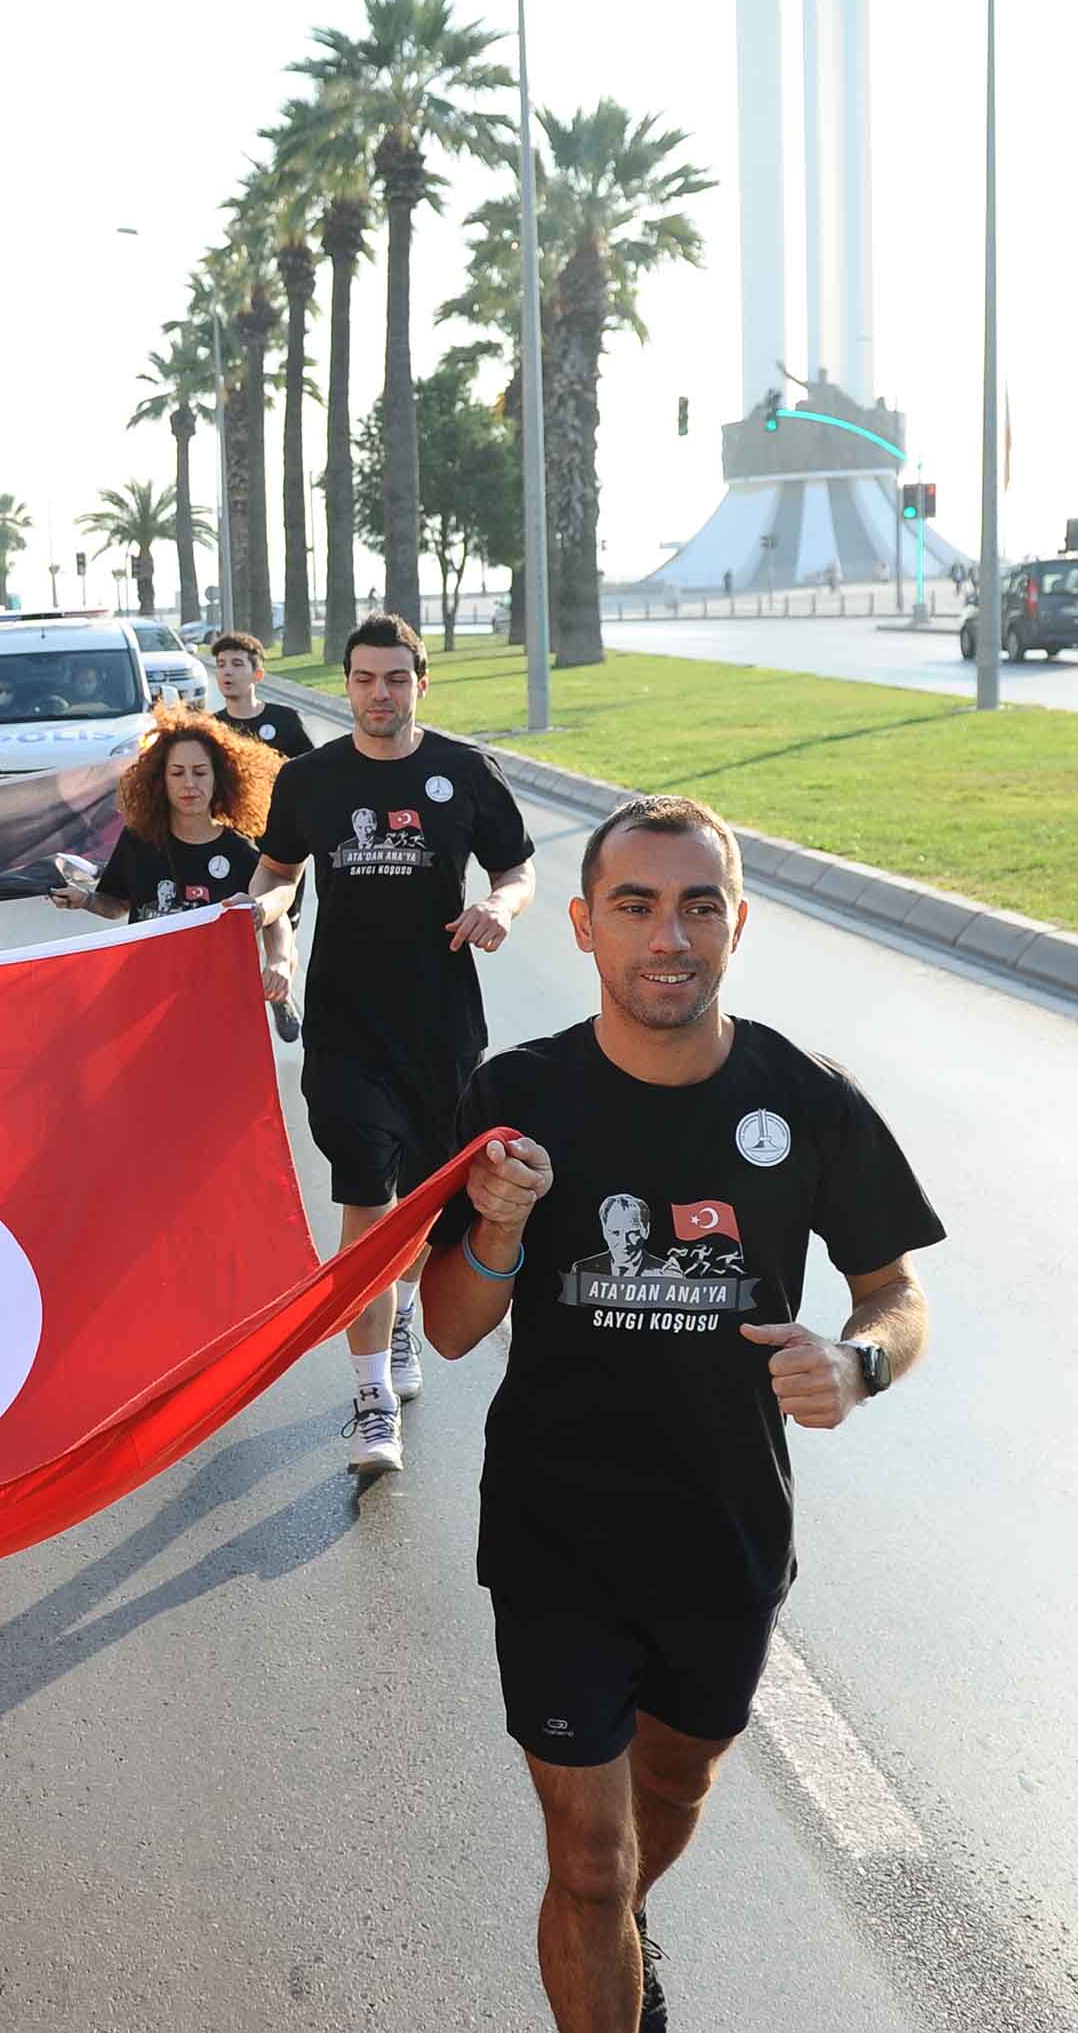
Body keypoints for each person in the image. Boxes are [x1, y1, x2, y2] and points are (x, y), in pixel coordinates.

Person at [418, 794, 940, 2033]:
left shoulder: (804, 1099)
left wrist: (859, 1364)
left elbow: (895, 1293)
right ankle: (605, 1952)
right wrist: (497, 1225)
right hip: (557, 1534)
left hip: (725, 1531)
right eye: (638, 907)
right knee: (586, 1858)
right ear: (588, 928)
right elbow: (444, 1325)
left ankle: (616, 1928)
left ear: (737, 924)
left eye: (698, 906)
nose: (670, 937)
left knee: (673, 1786)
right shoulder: (517, 1092)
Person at [249, 613, 535, 1476]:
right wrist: (267, 930)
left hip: (441, 1027)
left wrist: (502, 908)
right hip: (345, 1032)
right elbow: (277, 872)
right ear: (347, 685)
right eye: (367, 680)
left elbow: (517, 869)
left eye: (397, 680)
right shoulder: (309, 780)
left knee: (421, 1203)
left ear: (421, 684)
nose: (381, 694)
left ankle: (400, 1314)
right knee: (368, 1209)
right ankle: (372, 1398)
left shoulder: (463, 771)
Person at [53, 706, 286, 933]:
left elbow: (273, 913)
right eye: (177, 773)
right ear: (160, 779)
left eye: (200, 772)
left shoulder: (239, 851)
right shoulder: (137, 839)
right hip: (149, 971)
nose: (189, 783)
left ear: (220, 778)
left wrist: (280, 958)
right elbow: (117, 904)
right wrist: (85, 900)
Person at [206, 631, 315, 759]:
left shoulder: (286, 719)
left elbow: (311, 769)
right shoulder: (210, 726)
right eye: (221, 665)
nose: (227, 671)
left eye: (237, 664)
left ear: (257, 675)